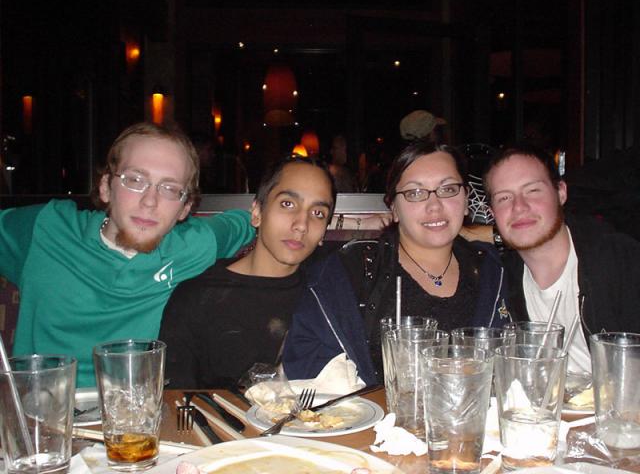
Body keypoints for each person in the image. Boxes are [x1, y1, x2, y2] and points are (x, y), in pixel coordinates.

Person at [0, 122, 255, 387]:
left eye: (169, 189)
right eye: (135, 180)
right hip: (39, 408)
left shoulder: (193, 246)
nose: (150, 201)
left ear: (184, 208)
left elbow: (248, 220)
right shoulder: (46, 228)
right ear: (106, 187)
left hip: (136, 409)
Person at [285, 139, 512, 381]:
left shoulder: (492, 270)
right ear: (393, 207)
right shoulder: (351, 270)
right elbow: (306, 365)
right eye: (415, 193)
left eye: (448, 189)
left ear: (466, 199)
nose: (434, 206)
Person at [159, 156, 377, 388]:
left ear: (324, 231)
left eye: (318, 213)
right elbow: (175, 398)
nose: (301, 225)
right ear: (257, 212)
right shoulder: (196, 297)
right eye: (287, 204)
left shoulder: (329, 292)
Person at [483, 144, 640, 374]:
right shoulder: (501, 279)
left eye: (533, 190)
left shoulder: (620, 261)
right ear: (492, 213)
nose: (519, 207)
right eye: (504, 198)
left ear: (561, 193)